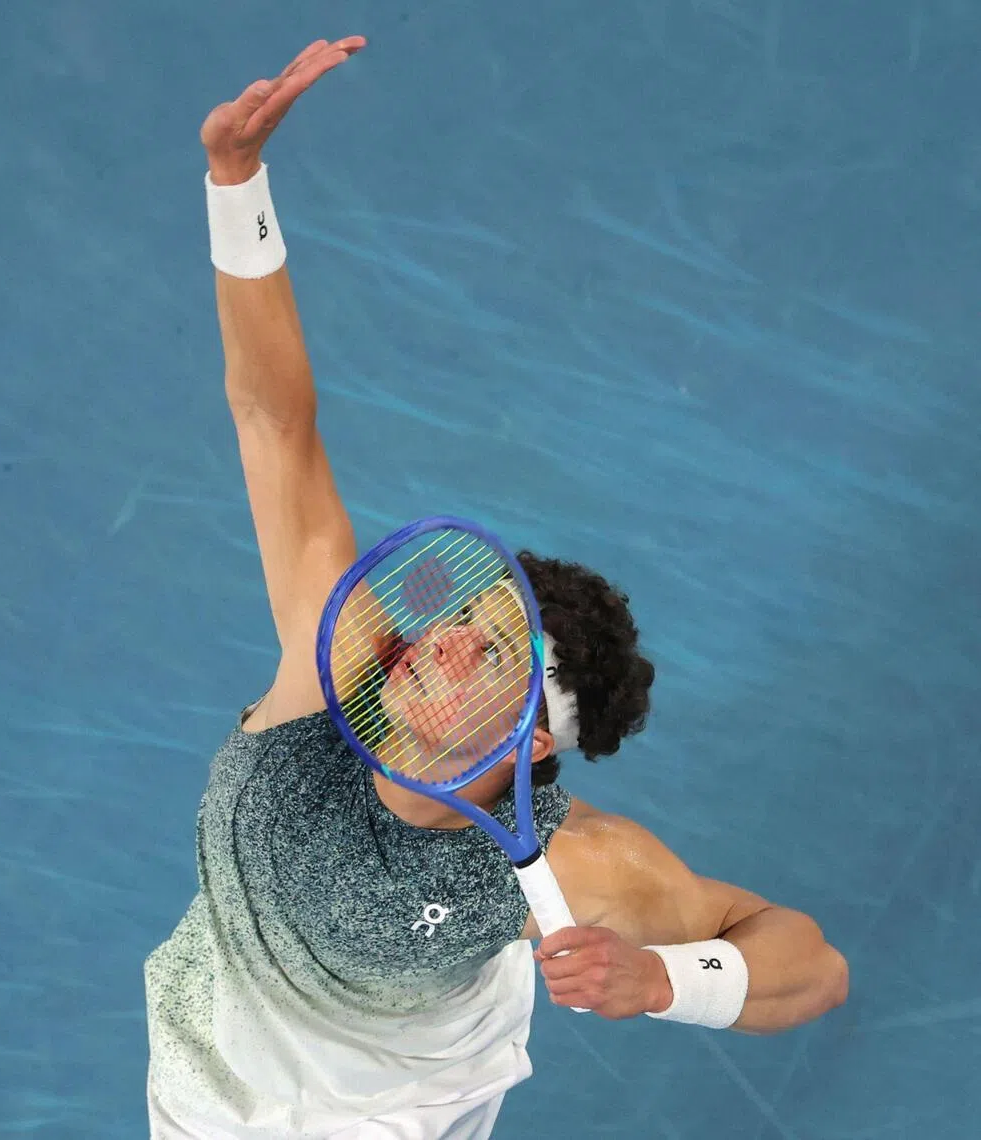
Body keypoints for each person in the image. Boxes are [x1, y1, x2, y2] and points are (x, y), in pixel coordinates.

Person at [143, 36, 849, 1140]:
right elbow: (275, 422)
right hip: (202, 1079)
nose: (438, 642)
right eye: (460, 615)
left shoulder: (572, 865)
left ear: (530, 745)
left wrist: (668, 983)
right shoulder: (334, 661)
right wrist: (237, 183)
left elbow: (813, 967)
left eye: (488, 653)